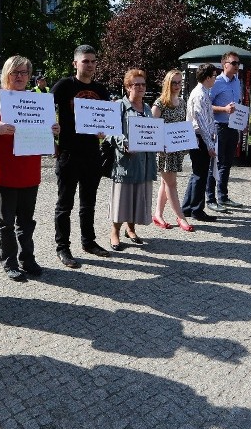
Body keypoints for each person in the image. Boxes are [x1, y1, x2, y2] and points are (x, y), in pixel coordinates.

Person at [0, 55, 60, 280]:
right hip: (3, 173)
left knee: (26, 221)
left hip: (29, 173)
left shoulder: (38, 101)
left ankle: (27, 258)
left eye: (24, 73)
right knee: (5, 221)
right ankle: (9, 261)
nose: (20, 77)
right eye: (15, 73)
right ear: (6, 75)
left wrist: (52, 130)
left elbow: (50, 143)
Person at [51, 45, 112, 268]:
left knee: (89, 203)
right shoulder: (65, 86)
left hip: (92, 153)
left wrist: (105, 129)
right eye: (86, 61)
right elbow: (44, 110)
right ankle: (63, 248)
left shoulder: (101, 90)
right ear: (75, 63)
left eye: (93, 61)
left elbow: (107, 119)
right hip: (69, 153)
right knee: (64, 204)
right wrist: (52, 139)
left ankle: (88, 241)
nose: (90, 65)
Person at [107, 69, 158, 251]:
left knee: (138, 197)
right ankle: (115, 232)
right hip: (126, 162)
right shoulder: (119, 106)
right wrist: (124, 143)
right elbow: (110, 133)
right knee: (122, 199)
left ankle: (131, 229)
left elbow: (152, 132)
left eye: (143, 84)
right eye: (137, 84)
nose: (141, 87)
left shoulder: (146, 108)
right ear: (128, 87)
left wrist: (160, 142)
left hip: (144, 162)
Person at [151, 69, 193, 232]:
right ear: (167, 84)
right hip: (164, 151)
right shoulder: (160, 103)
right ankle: (181, 217)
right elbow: (153, 129)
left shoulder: (182, 102)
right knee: (171, 183)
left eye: (179, 82)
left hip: (177, 149)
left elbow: (184, 124)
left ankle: (158, 214)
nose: (177, 85)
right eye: (174, 82)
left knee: (165, 183)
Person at [181, 63, 220, 222]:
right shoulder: (200, 94)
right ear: (208, 77)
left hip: (200, 137)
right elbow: (201, 122)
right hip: (199, 138)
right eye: (214, 76)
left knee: (197, 173)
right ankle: (197, 209)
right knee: (200, 175)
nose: (215, 79)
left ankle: (188, 207)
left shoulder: (203, 92)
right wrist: (210, 144)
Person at [206, 51, 243, 212]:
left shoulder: (237, 82)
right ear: (224, 65)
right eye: (234, 63)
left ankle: (223, 196)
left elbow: (238, 106)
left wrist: (243, 122)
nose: (237, 66)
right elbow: (206, 106)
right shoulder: (217, 82)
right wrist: (224, 109)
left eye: (238, 63)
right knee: (215, 164)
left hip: (233, 127)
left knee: (227, 163)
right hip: (218, 127)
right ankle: (210, 198)